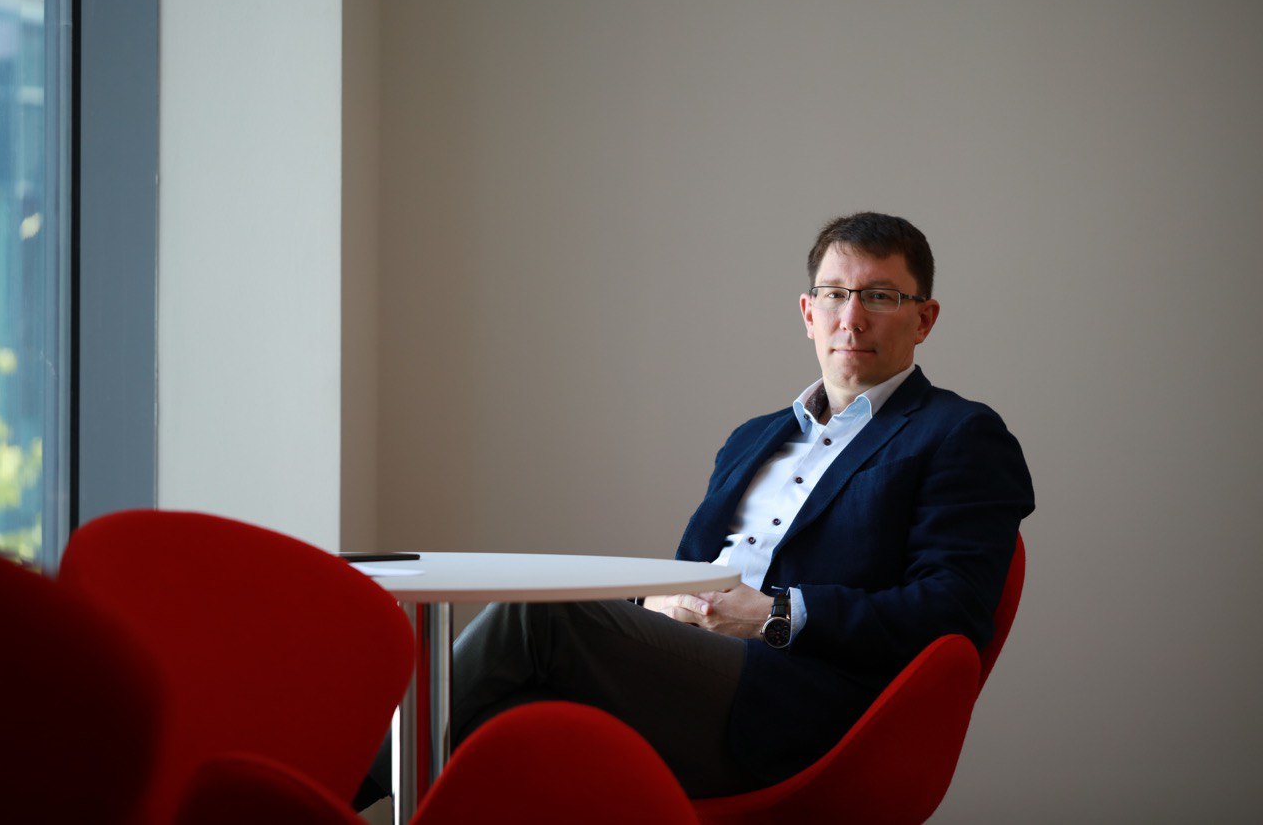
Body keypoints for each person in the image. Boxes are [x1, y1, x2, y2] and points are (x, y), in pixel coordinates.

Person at [354, 211, 1034, 807]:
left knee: (538, 616)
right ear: (808, 312)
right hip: (695, 670)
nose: (851, 317)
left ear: (924, 317)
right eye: (834, 294)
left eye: (879, 295)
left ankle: (332, 788)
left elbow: (952, 610)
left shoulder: (958, 434)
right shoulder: (753, 438)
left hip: (809, 711)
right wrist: (657, 603)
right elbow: (690, 569)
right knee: (507, 713)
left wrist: (775, 614)